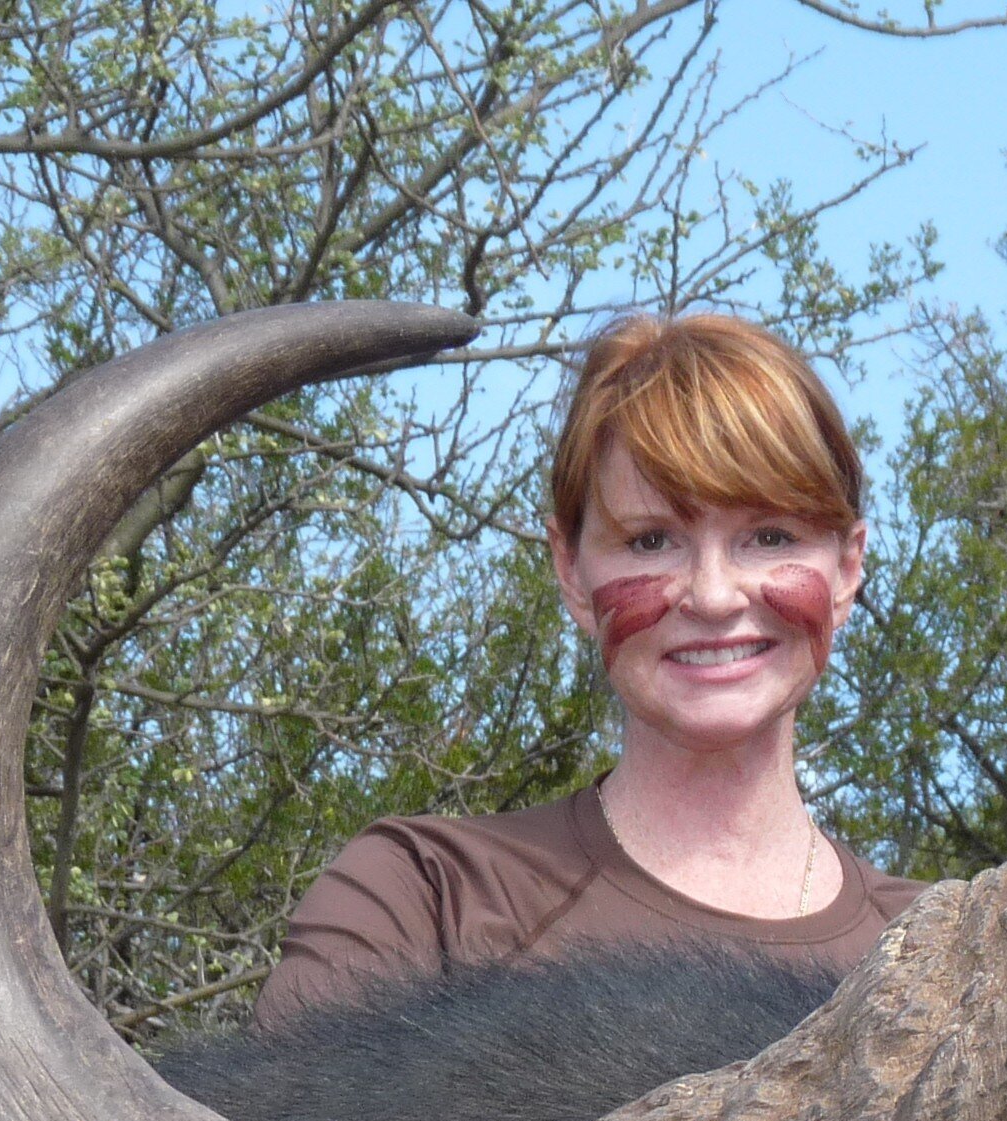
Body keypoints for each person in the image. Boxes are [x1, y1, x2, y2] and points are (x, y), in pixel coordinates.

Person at [254, 312, 921, 1028]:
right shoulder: (426, 898)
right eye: (650, 541)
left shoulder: (951, 953)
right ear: (571, 571)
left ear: (847, 570)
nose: (714, 595)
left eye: (769, 537)